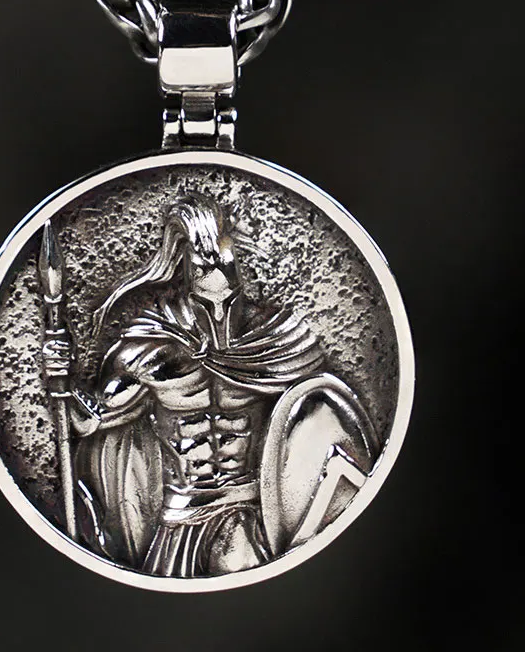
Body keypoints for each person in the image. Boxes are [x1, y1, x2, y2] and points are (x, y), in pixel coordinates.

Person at [45, 194, 378, 577]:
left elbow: (319, 409)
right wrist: (61, 376)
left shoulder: (275, 340)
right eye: (205, 261)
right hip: (178, 515)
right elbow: (89, 421)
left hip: (246, 510)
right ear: (184, 268)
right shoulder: (150, 348)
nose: (217, 268)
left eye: (225, 260)